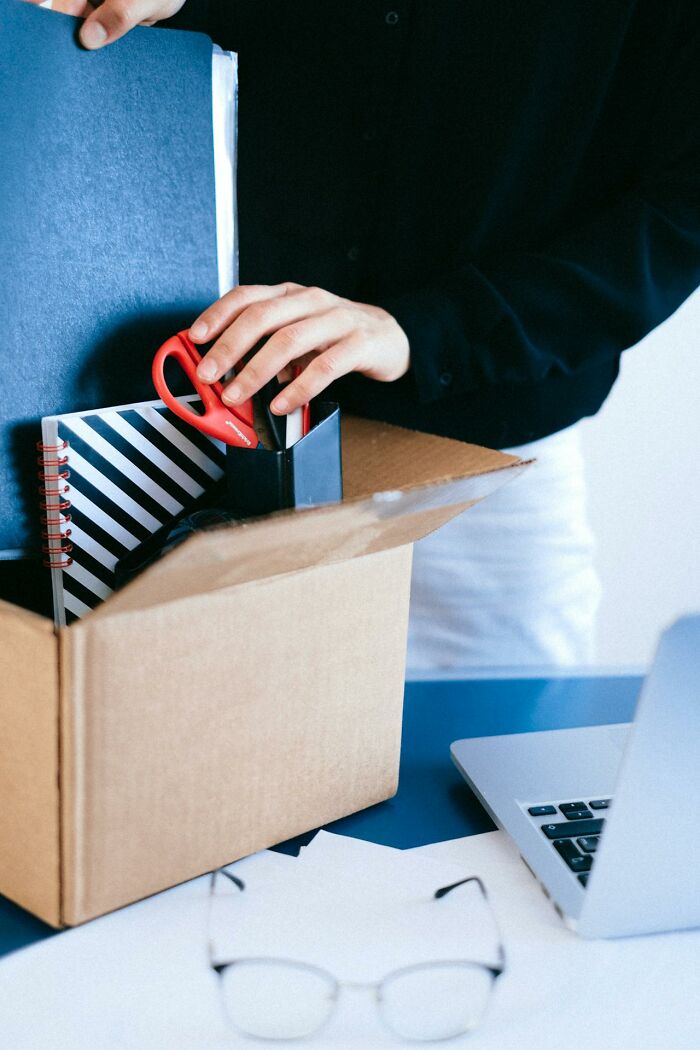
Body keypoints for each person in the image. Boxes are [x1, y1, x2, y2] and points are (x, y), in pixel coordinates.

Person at [41, 1, 700, 666]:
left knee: (490, 749)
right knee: (147, 734)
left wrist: (427, 329)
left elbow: (682, 209)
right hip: (164, 433)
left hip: (477, 468)